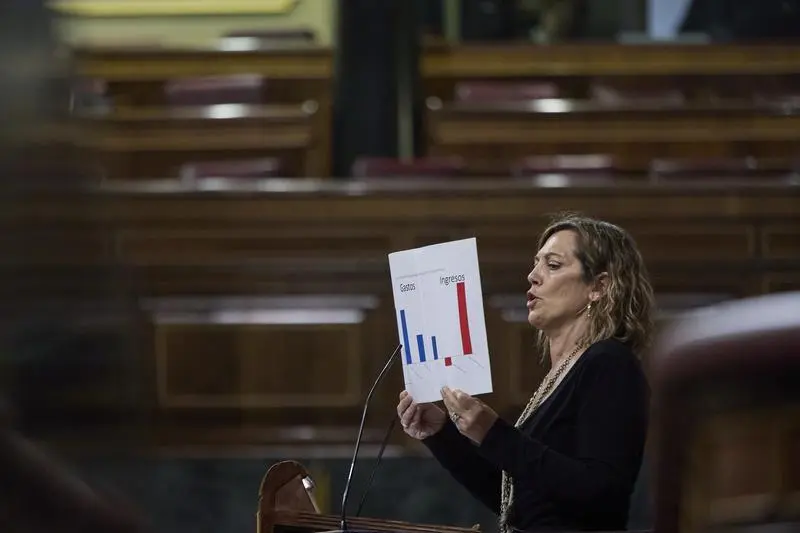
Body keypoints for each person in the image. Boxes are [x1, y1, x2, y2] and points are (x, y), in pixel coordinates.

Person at [397, 214, 654, 532]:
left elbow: (601, 489)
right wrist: (441, 434)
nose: (533, 276)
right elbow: (517, 500)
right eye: (536, 264)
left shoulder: (610, 363)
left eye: (553, 265)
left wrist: (492, 434)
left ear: (598, 287)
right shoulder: (565, 370)